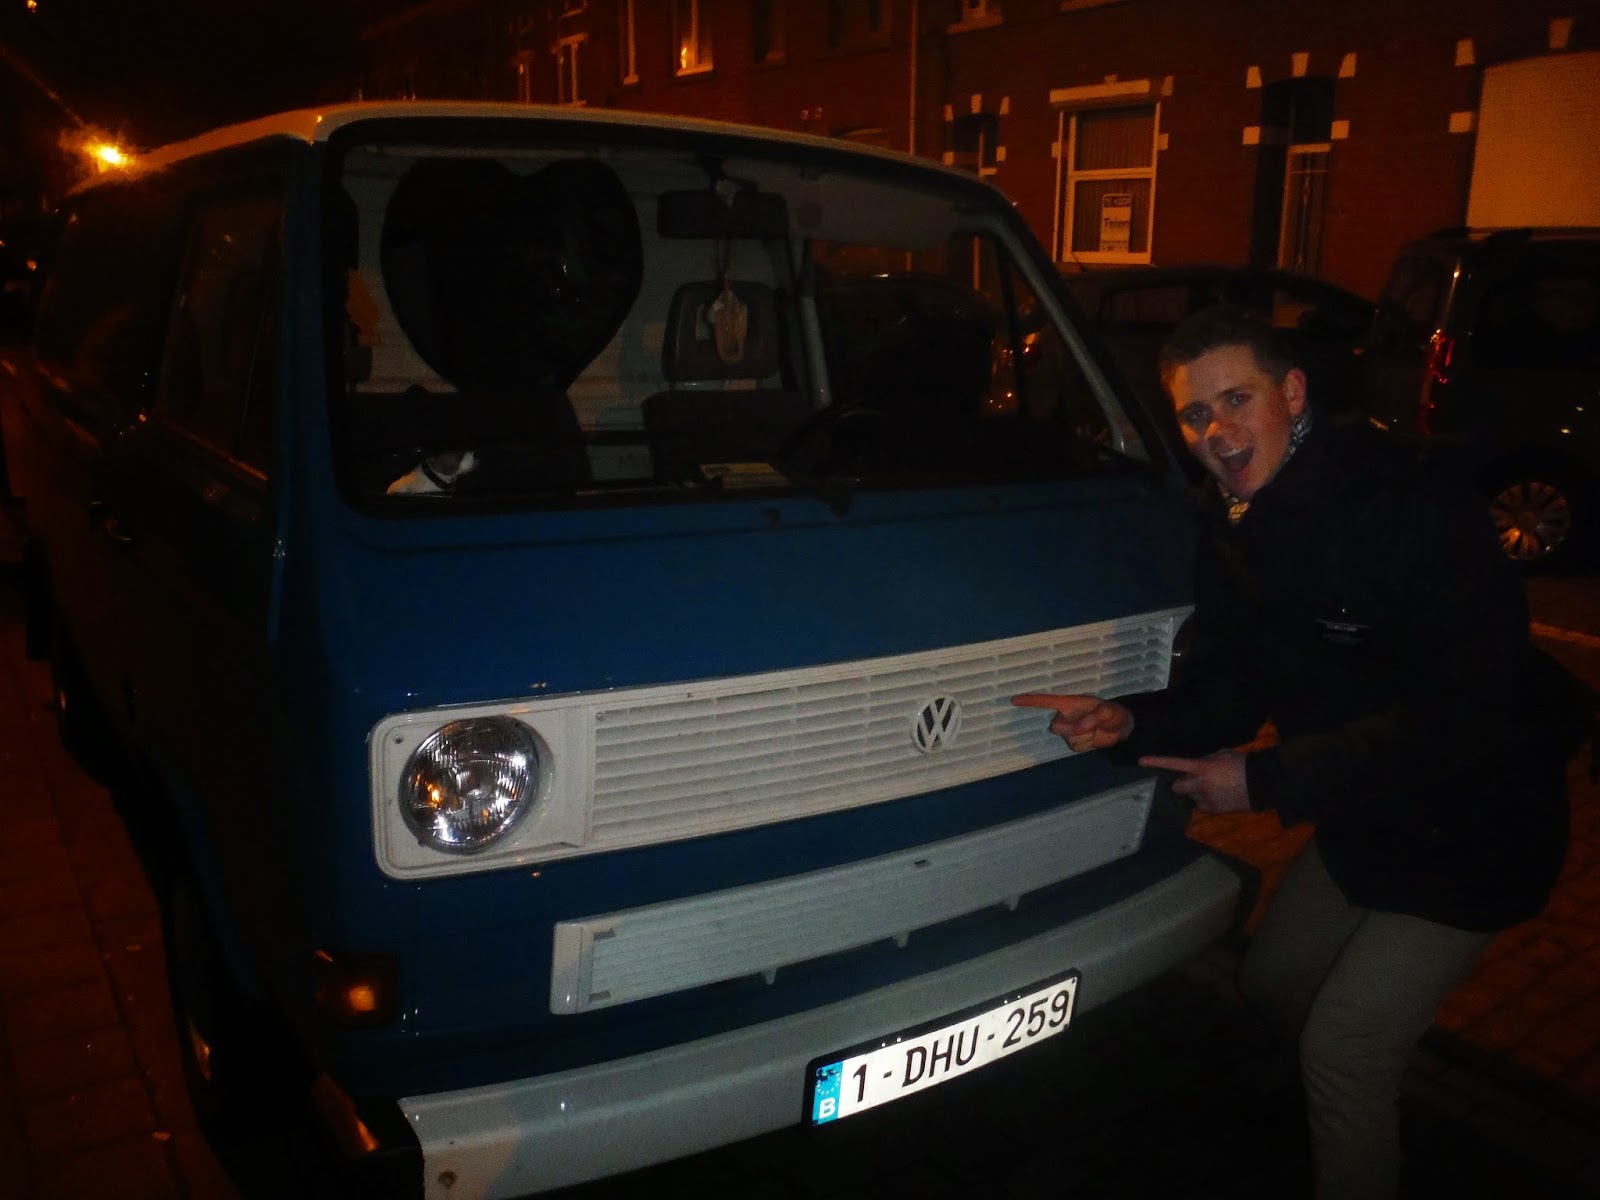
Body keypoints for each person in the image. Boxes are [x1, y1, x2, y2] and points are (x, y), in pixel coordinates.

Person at [1013, 306, 1579, 1200]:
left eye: (1236, 399)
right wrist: (1132, 723)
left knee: (1346, 1048)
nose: (1216, 431)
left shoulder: (1411, 507)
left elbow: (1461, 718)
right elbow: (1234, 687)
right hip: (1367, 815)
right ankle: (1318, 1122)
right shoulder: (1236, 528)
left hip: (1480, 826)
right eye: (1194, 414)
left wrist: (1262, 780)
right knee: (1275, 981)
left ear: (1294, 393)